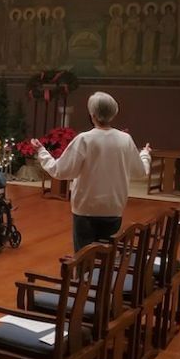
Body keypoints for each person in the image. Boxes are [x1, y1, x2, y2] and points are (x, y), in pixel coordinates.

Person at [32, 92, 151, 251]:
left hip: (86, 210)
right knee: (107, 260)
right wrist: (145, 154)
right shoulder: (125, 139)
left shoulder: (85, 139)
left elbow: (59, 170)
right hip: (113, 208)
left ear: (92, 115)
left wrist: (41, 151)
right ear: (113, 113)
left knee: (83, 260)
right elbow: (140, 172)